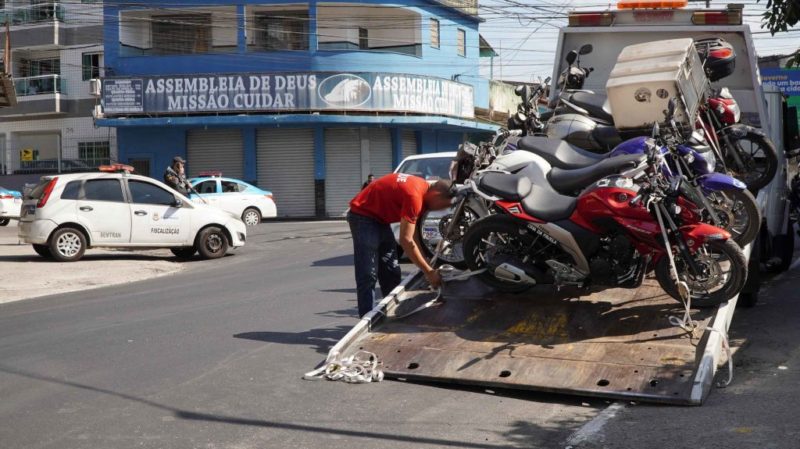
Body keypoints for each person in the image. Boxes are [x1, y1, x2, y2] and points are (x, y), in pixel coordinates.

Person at [347, 173, 454, 317]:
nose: (441, 210)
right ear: (437, 194)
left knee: (391, 270)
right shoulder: (414, 196)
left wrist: (426, 264)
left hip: (380, 220)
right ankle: (367, 319)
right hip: (362, 216)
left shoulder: (423, 192)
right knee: (368, 273)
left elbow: (414, 236)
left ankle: (392, 312)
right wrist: (428, 272)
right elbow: (406, 240)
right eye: (443, 205)